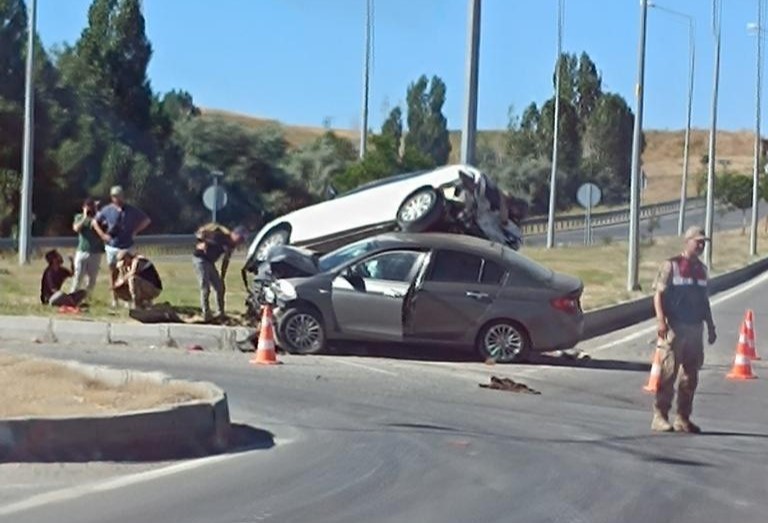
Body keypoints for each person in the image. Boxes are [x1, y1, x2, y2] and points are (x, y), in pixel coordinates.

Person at [651, 225, 717, 434]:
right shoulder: (672, 266)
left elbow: (704, 300)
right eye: (698, 241)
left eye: (703, 242)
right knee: (668, 373)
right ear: (687, 241)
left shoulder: (702, 270)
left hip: (695, 328)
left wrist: (710, 325)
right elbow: (658, 295)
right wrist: (661, 321)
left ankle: (683, 417)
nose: (701, 245)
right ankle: (660, 416)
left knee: (690, 376)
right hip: (675, 327)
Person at [92, 185, 151, 307]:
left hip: (126, 245)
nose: (117, 199)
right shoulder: (107, 210)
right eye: (114, 196)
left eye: (119, 196)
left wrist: (135, 231)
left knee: (128, 272)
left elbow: (146, 220)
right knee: (113, 272)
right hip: (112, 246)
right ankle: (114, 298)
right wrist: (103, 235)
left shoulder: (131, 210)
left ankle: (127, 297)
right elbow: (94, 222)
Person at [193, 223, 248, 321]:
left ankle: (220, 312)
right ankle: (206, 313)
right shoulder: (220, 235)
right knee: (205, 287)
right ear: (235, 234)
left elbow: (226, 261)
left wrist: (222, 277)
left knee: (219, 287)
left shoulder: (231, 245)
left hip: (210, 262)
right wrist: (202, 242)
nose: (240, 242)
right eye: (240, 239)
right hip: (201, 259)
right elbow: (201, 233)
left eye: (242, 241)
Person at [70, 198, 105, 297]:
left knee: (91, 279)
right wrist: (85, 217)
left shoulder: (98, 218)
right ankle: (72, 296)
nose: (90, 210)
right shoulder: (79, 217)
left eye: (92, 207)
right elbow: (76, 228)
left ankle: (87, 298)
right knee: (78, 276)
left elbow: (105, 227)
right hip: (82, 251)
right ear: (84, 207)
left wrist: (97, 212)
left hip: (95, 252)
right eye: (88, 207)